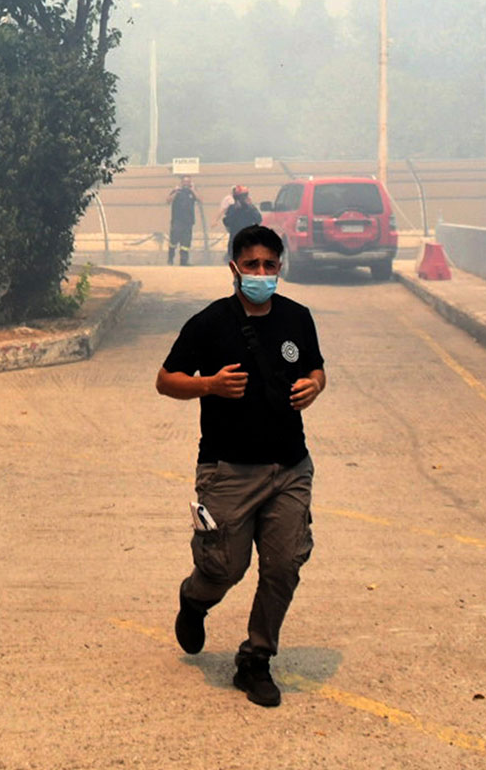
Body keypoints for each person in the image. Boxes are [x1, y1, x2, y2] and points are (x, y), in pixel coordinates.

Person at [156, 224, 326, 708]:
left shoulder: (297, 318)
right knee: (224, 567)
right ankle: (195, 599)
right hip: (228, 469)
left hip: (290, 466)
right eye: (252, 265)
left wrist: (315, 385)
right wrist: (208, 385)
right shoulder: (210, 323)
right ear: (234, 267)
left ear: (280, 267)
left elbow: (315, 368)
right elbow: (166, 380)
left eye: (269, 265)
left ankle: (255, 658)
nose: (261, 273)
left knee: (284, 565)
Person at [166, 176, 199, 266]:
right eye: (185, 181)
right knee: (174, 240)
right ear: (181, 182)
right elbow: (168, 201)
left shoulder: (192, 192)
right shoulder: (177, 191)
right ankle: (170, 258)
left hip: (188, 221)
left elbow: (200, 199)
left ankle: (184, 261)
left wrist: (193, 190)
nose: (186, 183)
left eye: (188, 182)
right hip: (177, 220)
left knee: (186, 242)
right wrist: (175, 191)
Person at [220, 185, 261, 250]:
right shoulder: (233, 208)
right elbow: (227, 222)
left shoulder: (250, 208)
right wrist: (234, 211)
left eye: (245, 196)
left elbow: (259, 219)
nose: (243, 199)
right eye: (241, 197)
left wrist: (251, 207)